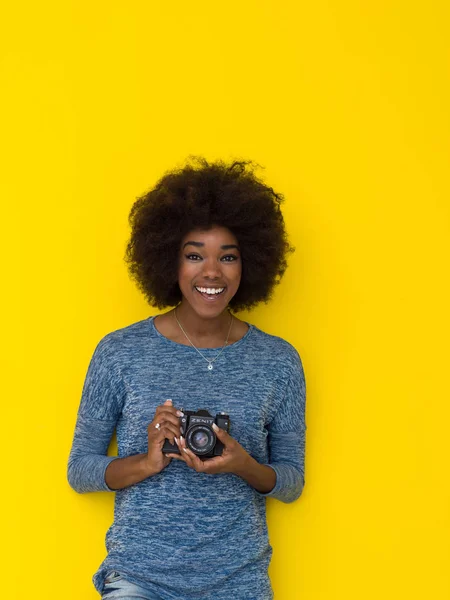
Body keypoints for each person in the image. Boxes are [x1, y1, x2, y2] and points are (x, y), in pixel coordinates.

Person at [67, 158, 307, 600]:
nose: (211, 272)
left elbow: (291, 480)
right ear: (168, 261)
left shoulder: (279, 361)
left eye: (227, 256)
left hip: (239, 582)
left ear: (249, 262)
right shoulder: (120, 351)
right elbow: (80, 469)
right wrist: (147, 460)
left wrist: (244, 464)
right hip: (139, 578)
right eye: (194, 255)